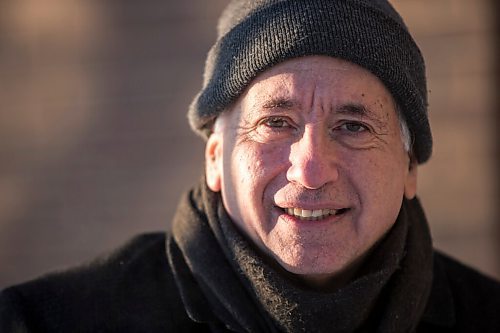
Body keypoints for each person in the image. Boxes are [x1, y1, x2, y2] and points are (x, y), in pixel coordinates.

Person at [1, 0, 500, 332]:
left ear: (410, 168)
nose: (310, 170)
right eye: (276, 122)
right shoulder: (47, 321)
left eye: (354, 126)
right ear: (215, 157)